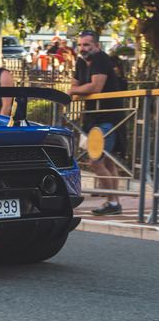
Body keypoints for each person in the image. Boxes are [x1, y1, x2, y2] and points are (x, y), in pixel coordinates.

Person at [69, 30, 125, 215]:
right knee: (107, 161)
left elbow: (96, 86)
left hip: (108, 117)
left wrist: (74, 91)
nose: (83, 48)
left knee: (96, 161)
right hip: (92, 117)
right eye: (80, 45)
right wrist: (74, 90)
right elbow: (74, 86)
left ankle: (112, 202)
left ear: (97, 46)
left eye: (87, 44)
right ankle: (114, 202)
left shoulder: (101, 58)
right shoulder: (80, 62)